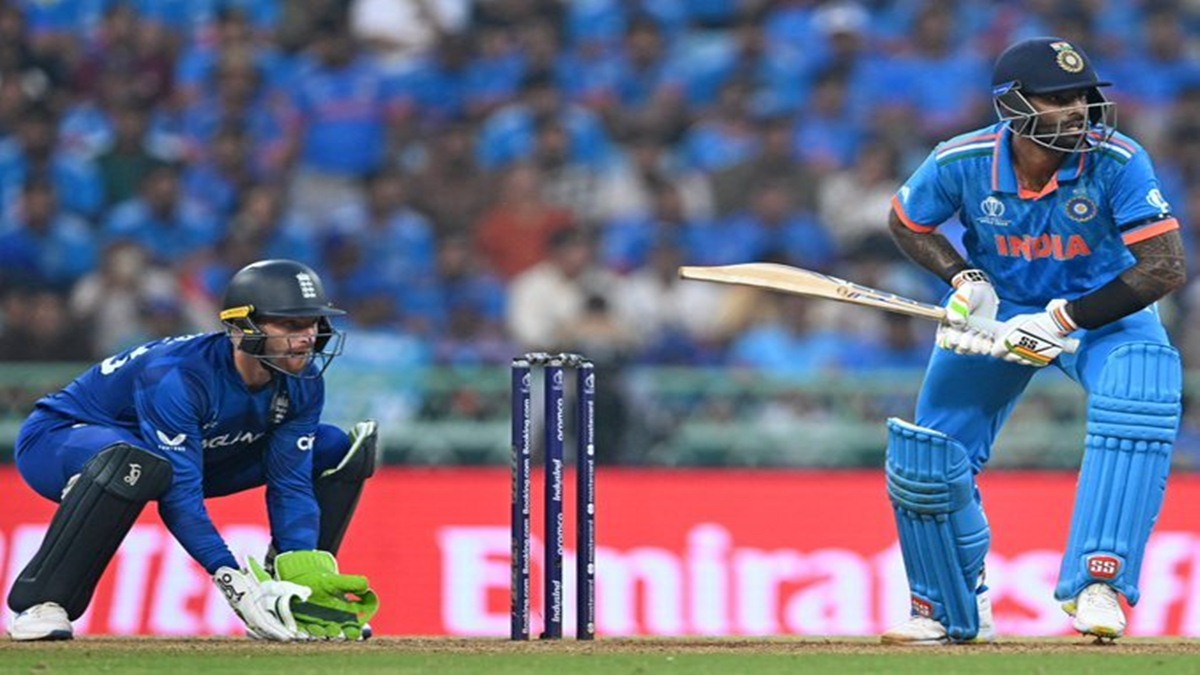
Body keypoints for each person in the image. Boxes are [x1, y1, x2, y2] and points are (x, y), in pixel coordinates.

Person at [881, 38, 1187, 644]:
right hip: (1000, 311)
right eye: (1057, 98)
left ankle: (1099, 583)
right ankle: (946, 605)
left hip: (1102, 311)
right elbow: (906, 222)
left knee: (1143, 390)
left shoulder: (1118, 160)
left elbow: (1165, 267)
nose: (1077, 110)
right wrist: (965, 279)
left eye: (1082, 96)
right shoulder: (960, 160)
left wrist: (1063, 321)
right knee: (929, 454)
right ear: (1013, 105)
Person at [7, 259, 379, 642]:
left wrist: (300, 571)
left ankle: (296, 596)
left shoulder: (304, 380)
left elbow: (292, 484)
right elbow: (180, 496)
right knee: (130, 461)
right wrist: (231, 577)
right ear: (242, 328)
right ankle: (40, 603)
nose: (306, 338)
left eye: (312, 323)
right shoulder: (178, 377)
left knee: (334, 447)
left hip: (184, 454)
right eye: (289, 325)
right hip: (58, 442)